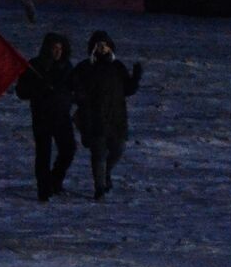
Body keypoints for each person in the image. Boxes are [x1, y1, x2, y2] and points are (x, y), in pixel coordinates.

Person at [71, 31, 143, 200]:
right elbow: (73, 86)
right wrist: (80, 99)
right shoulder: (85, 67)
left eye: (105, 44)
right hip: (94, 118)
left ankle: (106, 174)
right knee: (99, 153)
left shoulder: (117, 67)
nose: (102, 47)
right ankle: (100, 188)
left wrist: (135, 79)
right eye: (99, 44)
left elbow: (127, 90)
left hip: (116, 117)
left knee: (118, 149)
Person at [15, 33, 76, 201]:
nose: (57, 52)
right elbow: (21, 91)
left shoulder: (66, 67)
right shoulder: (36, 65)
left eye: (60, 49)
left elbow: (73, 88)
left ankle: (54, 181)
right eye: (54, 48)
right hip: (42, 116)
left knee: (68, 149)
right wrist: (39, 88)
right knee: (43, 154)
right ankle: (44, 190)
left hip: (62, 116)